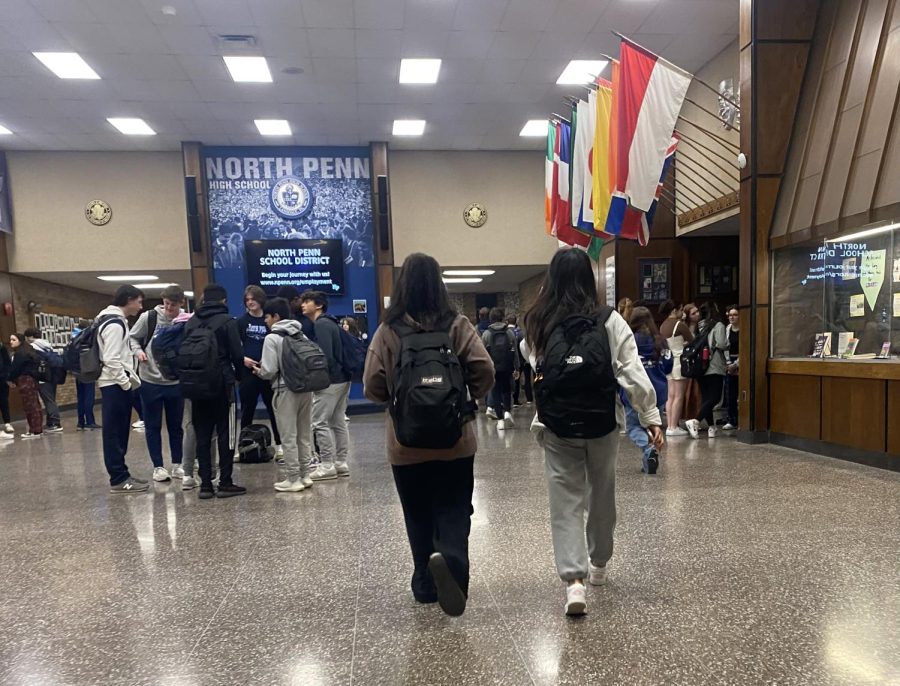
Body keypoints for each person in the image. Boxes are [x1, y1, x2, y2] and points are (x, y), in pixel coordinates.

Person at [523, 249, 663, 617]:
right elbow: (632, 371)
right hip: (601, 421)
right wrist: (650, 415)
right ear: (590, 279)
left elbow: (532, 358)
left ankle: (574, 582)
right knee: (602, 491)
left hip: (555, 425)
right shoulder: (610, 319)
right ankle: (599, 561)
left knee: (565, 500)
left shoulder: (538, 321)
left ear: (550, 281)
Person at [363, 253, 494, 616]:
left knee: (416, 511)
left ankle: (424, 582)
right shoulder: (457, 324)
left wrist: (396, 400)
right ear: (440, 285)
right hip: (456, 440)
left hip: (405, 445)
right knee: (454, 507)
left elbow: (372, 385)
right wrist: (467, 401)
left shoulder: (388, 330)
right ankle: (451, 561)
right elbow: (484, 369)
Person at [185, 283, 246, 499]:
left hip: (196, 385)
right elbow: (237, 355)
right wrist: (237, 377)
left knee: (202, 434)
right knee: (225, 433)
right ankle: (226, 482)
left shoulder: (191, 322)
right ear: (224, 301)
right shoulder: (228, 321)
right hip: (222, 384)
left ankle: (205, 485)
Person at [256, 297, 314, 492]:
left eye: (267, 317)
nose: (265, 320)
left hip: (284, 390)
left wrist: (259, 371)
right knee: (304, 435)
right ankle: (306, 475)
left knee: (288, 436)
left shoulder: (272, 338)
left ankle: (293, 478)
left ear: (276, 316)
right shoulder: (301, 335)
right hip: (306, 389)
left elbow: (270, 370)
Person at [129, 284, 186, 481]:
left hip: (175, 381)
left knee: (175, 425)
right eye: (167, 304)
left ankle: (178, 464)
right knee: (152, 424)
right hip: (150, 380)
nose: (169, 308)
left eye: (173, 305)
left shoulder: (185, 319)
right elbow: (133, 338)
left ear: (181, 303)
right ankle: (158, 466)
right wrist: (139, 352)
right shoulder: (149, 318)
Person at [97, 285, 148, 493]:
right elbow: (111, 358)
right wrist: (125, 383)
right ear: (128, 299)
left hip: (113, 383)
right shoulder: (115, 324)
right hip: (114, 385)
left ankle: (121, 473)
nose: (141, 306)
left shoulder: (106, 318)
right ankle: (118, 478)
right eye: (139, 301)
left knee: (117, 432)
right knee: (115, 433)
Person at [302, 290, 351, 480]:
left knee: (319, 421)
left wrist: (319, 378)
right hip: (343, 377)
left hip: (330, 380)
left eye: (308, 301)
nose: (303, 305)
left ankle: (327, 464)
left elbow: (325, 356)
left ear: (319, 305)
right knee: (338, 421)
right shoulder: (331, 322)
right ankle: (341, 462)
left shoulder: (321, 324)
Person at [237, 285, 282, 458]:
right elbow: (235, 346)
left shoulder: (269, 319)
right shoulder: (241, 322)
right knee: (247, 410)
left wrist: (269, 360)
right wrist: (243, 359)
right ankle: (243, 445)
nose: (250, 302)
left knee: (273, 409)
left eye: (252, 299)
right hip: (248, 372)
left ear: (260, 299)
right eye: (247, 300)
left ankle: (279, 445)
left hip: (268, 372)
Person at [623, 307, 668, 474]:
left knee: (634, 426)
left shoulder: (629, 341)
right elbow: (668, 365)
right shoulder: (660, 341)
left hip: (634, 391)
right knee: (654, 423)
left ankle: (647, 447)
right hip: (659, 391)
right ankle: (648, 458)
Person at [686, 301, 729, 439]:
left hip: (700, 366)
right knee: (715, 397)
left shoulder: (700, 325)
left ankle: (711, 427)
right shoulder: (718, 325)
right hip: (714, 364)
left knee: (706, 397)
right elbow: (722, 344)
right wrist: (727, 344)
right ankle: (696, 421)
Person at [482, 307, 520, 430]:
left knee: (495, 391)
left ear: (490, 319)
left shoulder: (486, 334)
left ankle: (500, 420)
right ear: (503, 318)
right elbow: (515, 352)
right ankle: (508, 412)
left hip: (493, 369)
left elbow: (483, 355)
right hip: (507, 367)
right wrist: (517, 368)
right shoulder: (509, 333)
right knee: (507, 389)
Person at [659, 300, 692, 437]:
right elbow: (692, 339)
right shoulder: (680, 325)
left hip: (668, 361)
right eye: (680, 309)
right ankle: (673, 426)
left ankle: (669, 426)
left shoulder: (663, 325)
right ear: (674, 310)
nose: (682, 312)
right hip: (679, 361)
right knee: (679, 395)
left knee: (670, 395)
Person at [24, 327, 63, 432]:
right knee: (51, 399)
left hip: (43, 377)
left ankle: (55, 423)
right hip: (52, 376)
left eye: (27, 337)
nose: (26, 339)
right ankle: (50, 422)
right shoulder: (46, 345)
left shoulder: (32, 347)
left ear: (31, 337)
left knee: (48, 400)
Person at [7, 333, 42, 439]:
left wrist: (10, 379)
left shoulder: (20, 353)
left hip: (24, 380)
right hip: (32, 380)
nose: (11, 342)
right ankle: (38, 429)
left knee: (29, 406)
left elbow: (15, 368)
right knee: (35, 404)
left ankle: (34, 430)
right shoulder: (29, 350)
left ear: (20, 341)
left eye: (13, 340)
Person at [72, 319, 99, 431]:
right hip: (88, 370)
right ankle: (90, 421)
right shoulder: (88, 338)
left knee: (81, 397)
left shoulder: (74, 337)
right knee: (89, 396)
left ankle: (81, 422)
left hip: (77, 370)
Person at [508, 314, 533, 407]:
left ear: (507, 321)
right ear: (516, 321)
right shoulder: (521, 333)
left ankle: (515, 400)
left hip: (513, 361)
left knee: (515, 380)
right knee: (527, 379)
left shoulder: (506, 332)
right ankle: (529, 398)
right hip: (524, 359)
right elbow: (525, 345)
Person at [724, 305, 740, 431]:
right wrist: (729, 363)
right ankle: (731, 419)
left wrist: (737, 364)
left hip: (741, 361)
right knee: (730, 392)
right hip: (729, 361)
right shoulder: (727, 329)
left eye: (735, 315)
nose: (732, 317)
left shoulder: (744, 329)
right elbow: (725, 347)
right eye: (730, 315)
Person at [0, 339, 13, 435]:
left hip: (2, 379)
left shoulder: (2, 347)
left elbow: (7, 363)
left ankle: (7, 423)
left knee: (3, 401)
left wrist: (7, 377)